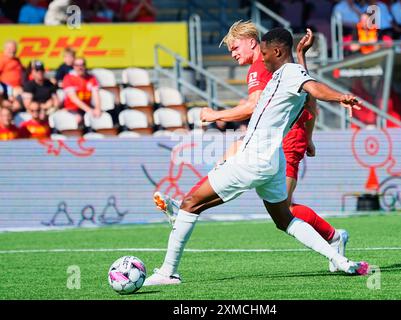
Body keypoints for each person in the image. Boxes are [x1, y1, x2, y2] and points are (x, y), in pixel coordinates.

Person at [144, 27, 368, 286]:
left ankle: (167, 272)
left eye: (264, 53)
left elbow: (313, 88)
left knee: (191, 203)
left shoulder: (289, 73)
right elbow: (305, 84)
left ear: (276, 51)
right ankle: (339, 258)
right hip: (272, 162)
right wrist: (300, 53)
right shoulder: (285, 73)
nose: (261, 58)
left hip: (255, 158)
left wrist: (340, 96)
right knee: (285, 219)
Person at [61, 57, 101, 124]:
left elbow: (96, 95)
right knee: (78, 118)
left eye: (82, 65)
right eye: (77, 65)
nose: (80, 67)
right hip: (72, 108)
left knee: (101, 116)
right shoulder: (68, 78)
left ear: (85, 66)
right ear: (73, 66)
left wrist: (98, 108)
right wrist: (89, 110)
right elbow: (74, 99)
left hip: (87, 107)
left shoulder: (91, 78)